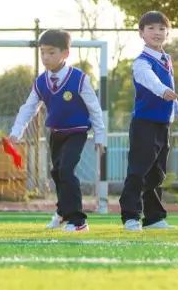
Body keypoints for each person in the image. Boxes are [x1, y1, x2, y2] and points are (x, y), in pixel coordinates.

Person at [8, 29, 106, 232]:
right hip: (56, 133)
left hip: (77, 132)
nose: (45, 57)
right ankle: (62, 212)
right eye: (42, 52)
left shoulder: (79, 79)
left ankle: (78, 221)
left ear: (65, 54)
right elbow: (28, 108)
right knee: (57, 173)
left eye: (51, 52)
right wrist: (16, 132)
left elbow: (94, 108)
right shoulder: (41, 82)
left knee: (66, 170)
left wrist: (100, 135)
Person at [118, 11, 178, 232]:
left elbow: (172, 89)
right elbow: (150, 81)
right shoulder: (141, 62)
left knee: (157, 172)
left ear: (167, 32)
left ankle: (154, 218)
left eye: (161, 28)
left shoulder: (167, 59)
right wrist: (163, 91)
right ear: (141, 33)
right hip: (144, 123)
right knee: (139, 169)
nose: (157, 33)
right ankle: (130, 215)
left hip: (163, 124)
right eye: (151, 28)